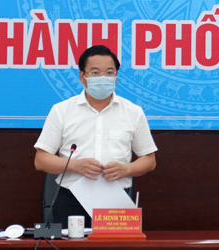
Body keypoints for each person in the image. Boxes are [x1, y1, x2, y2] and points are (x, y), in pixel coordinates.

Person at [34, 45, 157, 228]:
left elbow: (149, 160)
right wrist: (76, 165)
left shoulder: (133, 112)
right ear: (82, 76)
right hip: (70, 199)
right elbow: (41, 160)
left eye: (109, 72)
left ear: (116, 78)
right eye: (95, 72)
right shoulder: (61, 110)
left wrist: (126, 169)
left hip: (116, 201)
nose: (103, 78)